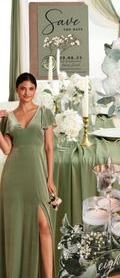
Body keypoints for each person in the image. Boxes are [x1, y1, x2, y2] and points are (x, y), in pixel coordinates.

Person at [0, 72, 56, 278]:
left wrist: (50, 178)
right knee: (15, 228)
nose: (27, 92)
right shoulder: (8, 117)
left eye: (31, 89)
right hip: (13, 178)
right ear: (17, 90)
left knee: (44, 226)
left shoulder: (44, 113)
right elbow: (6, 149)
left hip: (37, 175)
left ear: (35, 90)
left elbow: (50, 147)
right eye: (23, 88)